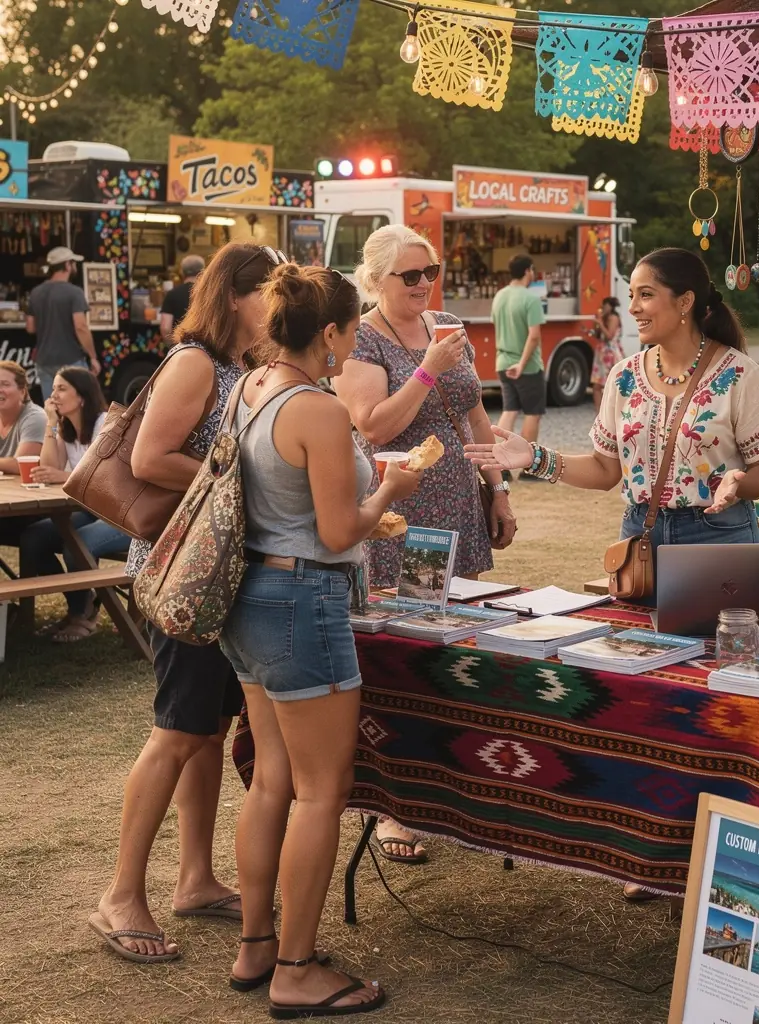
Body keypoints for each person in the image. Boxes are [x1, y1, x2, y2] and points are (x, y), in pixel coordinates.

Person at [464, 249, 759, 897]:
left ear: (686, 302)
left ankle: (715, 856)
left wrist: (735, 483)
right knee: (644, 701)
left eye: (645, 295)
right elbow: (607, 471)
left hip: (717, 541)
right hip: (640, 540)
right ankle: (652, 852)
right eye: (632, 295)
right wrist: (537, 460)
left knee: (717, 705)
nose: (632, 307)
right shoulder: (624, 378)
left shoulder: (740, 375)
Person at [221, 264, 409, 1017]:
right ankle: (296, 970)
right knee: (319, 794)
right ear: (328, 333)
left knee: (272, 779)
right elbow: (338, 530)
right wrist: (388, 494)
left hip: (250, 597)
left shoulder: (249, 388)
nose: (357, 339)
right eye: (354, 327)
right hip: (303, 598)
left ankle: (257, 945)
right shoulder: (319, 410)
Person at [90, 242, 280, 964]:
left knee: (206, 728)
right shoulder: (195, 361)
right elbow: (148, 460)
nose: (279, 303)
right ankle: (120, 895)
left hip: (218, 571)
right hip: (182, 571)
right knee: (176, 730)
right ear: (234, 294)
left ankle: (194, 878)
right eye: (270, 290)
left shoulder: (246, 368)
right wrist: (237, 474)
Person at [337, 223, 517, 864]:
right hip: (399, 513)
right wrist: (427, 369)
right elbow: (372, 422)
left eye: (429, 271)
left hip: (459, 507)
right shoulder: (359, 337)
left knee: (461, 645)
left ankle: (455, 783)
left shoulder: (442, 322)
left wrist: (497, 486)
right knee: (401, 657)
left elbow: (473, 412)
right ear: (376, 280)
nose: (422, 284)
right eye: (409, 275)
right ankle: (391, 807)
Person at [18, 366, 131, 642]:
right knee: (33, 538)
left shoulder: (107, 422)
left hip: (123, 514)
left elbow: (110, 479)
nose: (53, 394)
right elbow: (49, 467)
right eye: (53, 387)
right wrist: (50, 423)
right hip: (89, 509)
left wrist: (64, 476)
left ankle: (83, 617)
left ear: (82, 396)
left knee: (77, 545)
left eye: (61, 388)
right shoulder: (66, 427)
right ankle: (81, 602)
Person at [26, 246, 101, 399]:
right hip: (71, 360)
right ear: (67, 265)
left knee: (53, 408)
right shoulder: (75, 292)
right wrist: (93, 357)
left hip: (44, 361)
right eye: (73, 263)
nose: (74, 266)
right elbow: (80, 326)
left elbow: (30, 327)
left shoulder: (35, 292)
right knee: (78, 408)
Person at [492, 254, 546, 456]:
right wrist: (522, 365)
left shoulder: (500, 296)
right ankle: (527, 464)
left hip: (502, 362)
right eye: (532, 270)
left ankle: (501, 460)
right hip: (527, 366)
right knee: (533, 413)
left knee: (509, 410)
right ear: (527, 271)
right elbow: (533, 337)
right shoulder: (531, 298)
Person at [0, 359, 47, 549]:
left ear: (22, 391)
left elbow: (21, 465)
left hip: (34, 506)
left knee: (33, 539)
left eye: (5, 384)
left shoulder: (34, 416)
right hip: (7, 502)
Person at [590, 296, 624, 410]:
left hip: (611, 354)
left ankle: (613, 411)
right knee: (596, 385)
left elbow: (610, 336)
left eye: (605, 306)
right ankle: (599, 414)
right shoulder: (604, 318)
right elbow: (599, 335)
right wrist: (596, 325)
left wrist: (600, 323)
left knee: (613, 384)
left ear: (610, 306)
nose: (603, 308)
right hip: (602, 354)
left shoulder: (614, 318)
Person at [160, 254, 205, 341]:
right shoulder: (210, 294)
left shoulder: (172, 294)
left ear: (182, 272)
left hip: (181, 345)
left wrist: (174, 348)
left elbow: (165, 328)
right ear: (203, 272)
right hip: (205, 349)